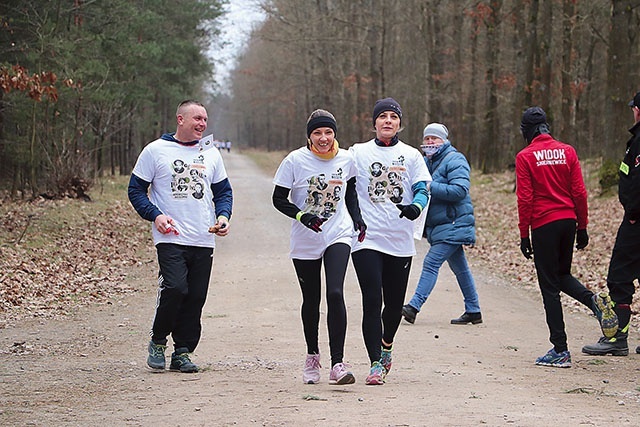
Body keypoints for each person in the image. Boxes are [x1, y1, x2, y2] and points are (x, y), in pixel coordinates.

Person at [128, 100, 233, 373]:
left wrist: (223, 217)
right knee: (176, 288)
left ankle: (183, 352)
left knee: (196, 296)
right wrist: (155, 215)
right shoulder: (156, 150)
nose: (202, 124)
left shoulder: (210, 152)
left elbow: (223, 192)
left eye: (205, 119)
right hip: (171, 236)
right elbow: (136, 190)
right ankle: (158, 340)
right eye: (197, 118)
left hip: (203, 237)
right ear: (180, 119)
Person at [514, 106, 617, 368]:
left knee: (549, 286)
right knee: (561, 275)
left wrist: (524, 234)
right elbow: (580, 192)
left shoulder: (525, 156)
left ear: (527, 131)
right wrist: (582, 226)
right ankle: (593, 300)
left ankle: (560, 349)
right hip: (567, 221)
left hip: (544, 224)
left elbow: (525, 198)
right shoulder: (567, 151)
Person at [272, 109, 367, 385]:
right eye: (317, 133)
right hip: (305, 237)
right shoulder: (295, 161)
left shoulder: (347, 159)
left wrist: (358, 219)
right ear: (309, 136)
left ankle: (338, 363)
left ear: (334, 133)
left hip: (337, 233)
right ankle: (312, 354)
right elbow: (278, 198)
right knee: (311, 299)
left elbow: (350, 192)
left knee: (335, 292)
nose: (323, 138)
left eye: (328, 132)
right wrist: (303, 215)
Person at [349, 97, 431, 385]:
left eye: (392, 117)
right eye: (382, 116)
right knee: (372, 300)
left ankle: (386, 347)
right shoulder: (357, 152)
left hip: (400, 239)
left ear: (399, 123)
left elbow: (422, 189)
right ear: (374, 123)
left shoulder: (412, 156)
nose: (387, 121)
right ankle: (374, 364)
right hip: (366, 239)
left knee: (394, 305)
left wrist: (416, 207)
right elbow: (342, 182)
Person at [402, 123, 481, 326]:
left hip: (454, 222)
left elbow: (460, 190)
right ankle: (473, 310)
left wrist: (430, 186)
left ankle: (413, 307)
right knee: (460, 268)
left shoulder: (455, 159)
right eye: (427, 138)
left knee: (431, 263)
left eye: (434, 139)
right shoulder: (429, 163)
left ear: (444, 140)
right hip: (442, 225)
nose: (430, 142)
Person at [582, 91, 640, 357]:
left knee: (619, 276)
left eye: (634, 108)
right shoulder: (635, 139)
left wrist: (633, 211)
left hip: (636, 221)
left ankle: (617, 337)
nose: (632, 112)